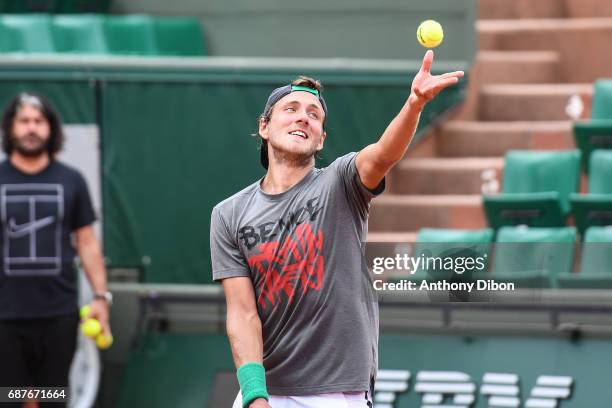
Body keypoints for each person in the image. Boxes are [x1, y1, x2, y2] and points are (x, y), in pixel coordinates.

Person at [210, 50, 463, 408]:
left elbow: (383, 155)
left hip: (336, 392)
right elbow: (242, 314)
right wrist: (254, 395)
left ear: (322, 139)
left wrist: (414, 106)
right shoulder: (228, 214)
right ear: (264, 126)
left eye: (314, 115)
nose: (304, 118)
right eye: (291, 109)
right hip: (267, 390)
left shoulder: (341, 182)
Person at [0, 92, 112, 407]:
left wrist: (101, 298)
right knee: (9, 399)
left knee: (54, 397)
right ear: (10, 128)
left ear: (51, 129)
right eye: (24, 121)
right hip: (5, 318)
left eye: (38, 121)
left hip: (58, 315)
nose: (31, 128)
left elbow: (88, 244)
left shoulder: (71, 180)